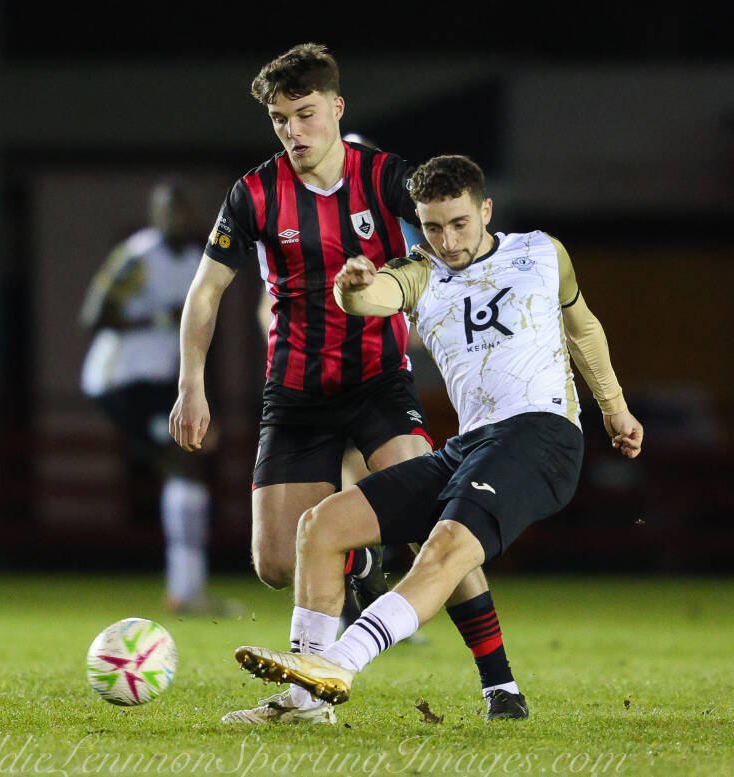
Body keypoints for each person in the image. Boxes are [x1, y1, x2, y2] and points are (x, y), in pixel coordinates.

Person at [169, 45, 524, 723]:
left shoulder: (386, 177)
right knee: (275, 562)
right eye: (279, 120)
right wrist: (192, 384)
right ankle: (350, 581)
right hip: (296, 394)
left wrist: (412, 285)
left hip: (378, 385)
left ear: (335, 109)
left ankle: (498, 683)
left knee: (437, 525)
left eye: (304, 114)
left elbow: (449, 246)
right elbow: (206, 292)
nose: (293, 131)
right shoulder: (253, 192)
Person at [234, 154, 644, 716]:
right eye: (431, 226)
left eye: (458, 223)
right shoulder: (421, 271)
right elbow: (371, 298)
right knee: (321, 526)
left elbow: (583, 326)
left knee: (446, 547)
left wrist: (615, 409)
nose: (447, 240)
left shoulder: (542, 252)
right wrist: (352, 288)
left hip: (542, 436)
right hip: (472, 444)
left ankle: (338, 662)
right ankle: (308, 699)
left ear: (486, 210)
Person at [80, 181, 236, 616]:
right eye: (168, 211)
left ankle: (188, 590)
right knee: (182, 460)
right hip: (120, 379)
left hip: (162, 381)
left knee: (192, 458)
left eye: (182, 211)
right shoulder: (137, 256)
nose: (175, 219)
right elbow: (92, 316)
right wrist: (154, 318)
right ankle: (187, 591)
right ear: (154, 214)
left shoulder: (195, 261)